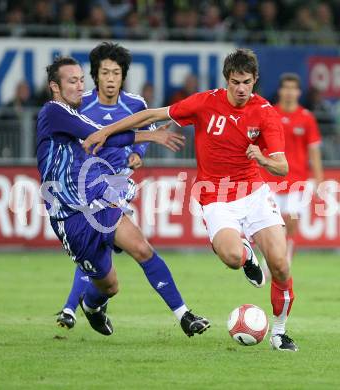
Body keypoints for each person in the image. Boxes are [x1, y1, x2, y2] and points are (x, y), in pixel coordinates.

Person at [82, 48, 299, 351]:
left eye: (246, 82)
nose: (240, 88)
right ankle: (247, 255)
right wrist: (106, 131)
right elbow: (152, 115)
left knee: (280, 265)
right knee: (233, 258)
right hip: (216, 198)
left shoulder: (264, 113)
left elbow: (283, 166)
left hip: (254, 195)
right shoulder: (205, 103)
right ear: (227, 79)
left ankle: (279, 332)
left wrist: (262, 158)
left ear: (255, 81)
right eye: (235, 81)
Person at [37, 56, 210, 337]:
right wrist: (148, 136)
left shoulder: (76, 112)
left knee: (142, 248)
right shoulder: (54, 112)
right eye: (72, 81)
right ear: (55, 87)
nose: (80, 86)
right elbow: (98, 135)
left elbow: (104, 136)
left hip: (97, 197)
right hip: (70, 215)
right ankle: (89, 308)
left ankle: (184, 315)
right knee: (109, 286)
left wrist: (141, 143)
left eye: (82, 80)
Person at [261, 73, 323, 269]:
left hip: (297, 181)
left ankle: (285, 261)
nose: (289, 92)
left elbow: (314, 151)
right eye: (285, 88)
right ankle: (270, 259)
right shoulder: (269, 114)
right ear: (280, 91)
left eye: (293, 88)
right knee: (272, 225)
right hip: (270, 179)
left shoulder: (307, 118)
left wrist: (319, 180)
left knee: (292, 223)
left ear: (298, 92)